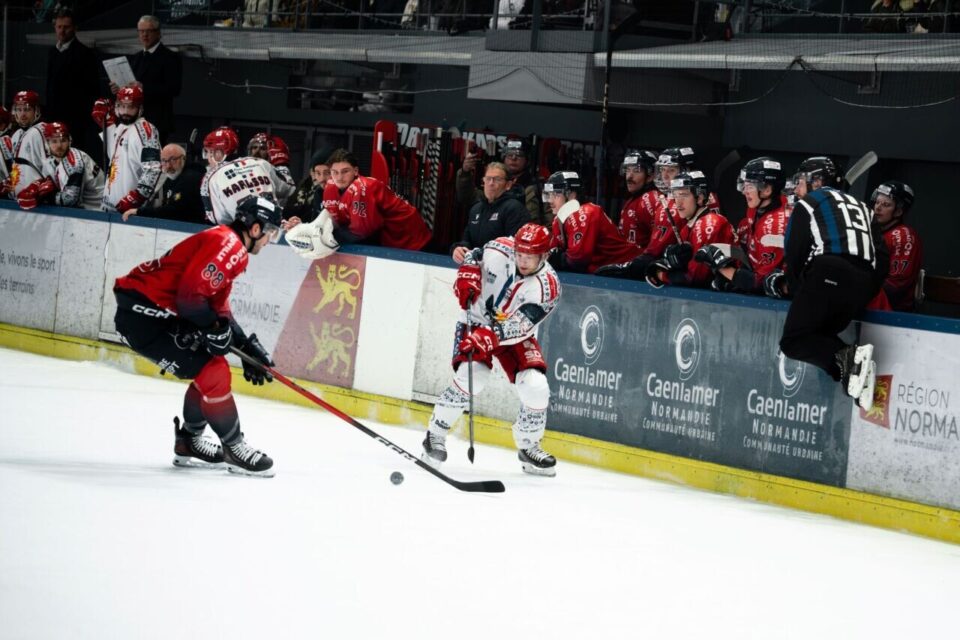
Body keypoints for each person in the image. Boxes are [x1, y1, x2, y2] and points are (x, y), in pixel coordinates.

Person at [112, 196, 280, 477]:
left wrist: (244, 346)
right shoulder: (231, 247)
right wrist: (215, 329)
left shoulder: (226, 240)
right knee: (214, 369)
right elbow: (190, 300)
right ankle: (234, 448)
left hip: (149, 313)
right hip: (145, 317)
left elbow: (216, 306)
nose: (269, 241)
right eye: (270, 232)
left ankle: (189, 441)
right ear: (255, 228)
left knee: (210, 366)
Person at [422, 223, 561, 476]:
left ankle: (528, 446)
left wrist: (490, 336)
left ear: (545, 256)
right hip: (476, 320)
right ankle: (435, 434)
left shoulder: (548, 287)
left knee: (536, 386)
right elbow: (474, 255)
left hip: (514, 335)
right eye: (520, 254)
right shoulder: (499, 247)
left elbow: (521, 325)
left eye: (530, 256)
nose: (522, 261)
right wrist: (467, 272)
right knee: (472, 377)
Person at [763, 156, 887, 411]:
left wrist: (796, 288)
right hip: (863, 282)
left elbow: (795, 251)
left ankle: (852, 359)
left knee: (794, 341)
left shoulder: (809, 203)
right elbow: (882, 258)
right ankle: (854, 376)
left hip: (828, 272)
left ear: (817, 182)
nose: (798, 189)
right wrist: (867, 290)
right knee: (820, 336)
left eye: (801, 182)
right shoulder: (865, 208)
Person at [695, 157, 790, 294]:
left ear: (767, 189)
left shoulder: (774, 228)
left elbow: (759, 283)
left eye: (750, 186)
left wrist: (722, 266)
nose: (744, 191)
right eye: (743, 185)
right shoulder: (756, 208)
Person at [312, 147, 432, 251]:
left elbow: (361, 233)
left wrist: (325, 238)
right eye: (335, 172)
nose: (339, 177)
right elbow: (338, 220)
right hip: (389, 239)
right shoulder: (330, 187)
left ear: (356, 171)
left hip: (412, 239)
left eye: (345, 171)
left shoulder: (362, 188)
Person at [642, 171, 736, 288]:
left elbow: (696, 278)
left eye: (684, 195)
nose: (678, 202)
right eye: (676, 195)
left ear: (700, 198)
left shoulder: (709, 223)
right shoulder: (687, 228)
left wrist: (661, 275)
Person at [542, 170, 642, 274]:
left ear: (572, 195)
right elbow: (550, 253)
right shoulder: (558, 220)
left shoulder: (586, 213)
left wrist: (556, 258)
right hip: (605, 273)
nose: (550, 200)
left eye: (556, 195)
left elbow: (578, 259)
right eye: (549, 195)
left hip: (630, 270)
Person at [200, 126, 296, 225]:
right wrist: (281, 163)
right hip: (271, 227)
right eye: (254, 147)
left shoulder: (210, 177)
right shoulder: (261, 164)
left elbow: (219, 219)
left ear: (219, 153)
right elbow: (289, 188)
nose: (207, 157)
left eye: (208, 152)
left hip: (242, 230)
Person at [114, 15, 182, 143]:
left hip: (156, 122)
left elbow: (174, 89)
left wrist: (143, 88)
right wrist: (120, 89)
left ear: (158, 33)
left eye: (149, 31)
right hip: (132, 120)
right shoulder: (136, 57)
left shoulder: (170, 57)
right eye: (141, 31)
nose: (144, 35)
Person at [95, 86, 162, 214]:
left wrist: (137, 197)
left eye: (131, 107)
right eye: (122, 106)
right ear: (116, 106)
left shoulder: (145, 130)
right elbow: (114, 158)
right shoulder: (121, 127)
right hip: (109, 208)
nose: (125, 112)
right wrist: (107, 124)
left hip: (129, 212)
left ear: (140, 108)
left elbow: (154, 168)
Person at [45, 8, 101, 157]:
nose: (62, 31)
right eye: (59, 27)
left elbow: (92, 90)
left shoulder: (85, 54)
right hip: (54, 118)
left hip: (75, 122)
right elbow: (49, 86)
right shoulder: (52, 52)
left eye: (66, 27)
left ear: (75, 28)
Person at [450, 161, 529, 264]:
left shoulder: (515, 209)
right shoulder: (476, 209)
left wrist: (480, 255)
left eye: (497, 179)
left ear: (508, 185)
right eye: (488, 179)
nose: (491, 183)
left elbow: (514, 247)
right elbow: (467, 241)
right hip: (477, 267)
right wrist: (458, 249)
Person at [456, 138, 547, 225]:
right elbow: (466, 196)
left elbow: (549, 219)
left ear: (527, 160)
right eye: (509, 154)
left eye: (519, 155)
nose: (513, 158)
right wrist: (465, 172)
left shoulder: (537, 186)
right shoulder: (493, 182)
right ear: (503, 158)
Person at [17, 122, 104, 210]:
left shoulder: (75, 163)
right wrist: (34, 187)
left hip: (99, 211)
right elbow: (49, 183)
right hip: (86, 211)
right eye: (54, 141)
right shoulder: (51, 161)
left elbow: (70, 200)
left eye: (63, 140)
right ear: (47, 143)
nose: (59, 145)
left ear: (69, 141)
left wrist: (44, 197)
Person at [870, 180, 923, 311]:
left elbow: (895, 286)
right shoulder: (874, 231)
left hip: (892, 312)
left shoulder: (903, 236)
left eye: (886, 204)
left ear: (898, 211)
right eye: (877, 202)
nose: (878, 208)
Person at [122, 143, 205, 223]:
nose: (168, 165)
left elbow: (174, 212)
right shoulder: (173, 175)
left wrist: (140, 211)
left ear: (183, 158)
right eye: (164, 161)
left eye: (173, 160)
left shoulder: (191, 178)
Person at [4, 91, 49, 199]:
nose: (22, 114)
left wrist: (39, 188)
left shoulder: (41, 131)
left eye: (27, 109)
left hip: (37, 201)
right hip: (17, 201)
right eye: (19, 110)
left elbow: (52, 167)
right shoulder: (16, 135)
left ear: (36, 111)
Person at [617, 149, 661, 250]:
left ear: (650, 176)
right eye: (627, 170)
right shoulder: (634, 199)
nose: (629, 176)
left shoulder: (650, 199)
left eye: (636, 171)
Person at [283, 147, 332, 224]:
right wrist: (300, 225)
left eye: (327, 173)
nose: (321, 179)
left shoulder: (343, 194)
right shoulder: (315, 191)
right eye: (317, 173)